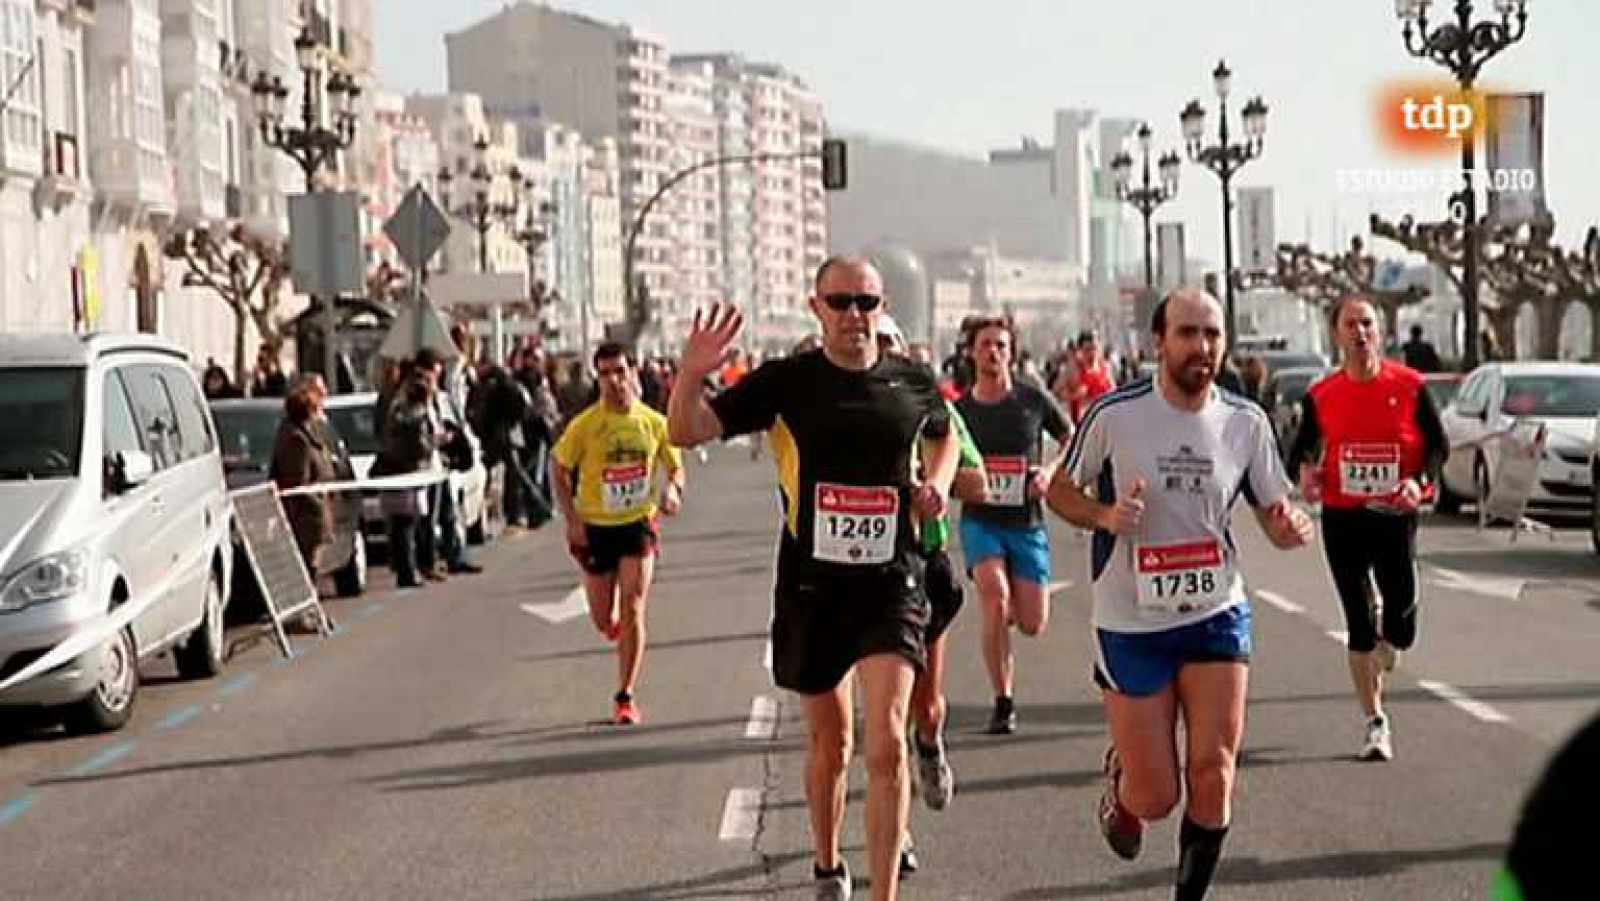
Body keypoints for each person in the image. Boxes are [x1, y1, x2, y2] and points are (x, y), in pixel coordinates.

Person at [668, 256, 959, 901]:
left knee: (885, 744)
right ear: (816, 306)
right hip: (813, 588)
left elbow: (946, 438)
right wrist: (691, 374)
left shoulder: (912, 380)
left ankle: (884, 893)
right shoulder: (785, 382)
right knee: (833, 744)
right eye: (841, 301)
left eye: (867, 301)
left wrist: (935, 487)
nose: (855, 314)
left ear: (882, 308)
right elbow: (685, 430)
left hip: (893, 581)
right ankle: (828, 864)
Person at [1045, 287, 1315, 901]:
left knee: (1215, 770)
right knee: (1158, 796)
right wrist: (1106, 515)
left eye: (1213, 334)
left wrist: (1289, 526)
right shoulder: (1115, 414)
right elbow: (1059, 491)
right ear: (1158, 342)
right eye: (1188, 334)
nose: (1203, 347)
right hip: (1130, 618)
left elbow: (1275, 510)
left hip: (1216, 609)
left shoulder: (1245, 423)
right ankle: (1123, 782)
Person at [1287, 295, 1446, 762]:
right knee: (1357, 620)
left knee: (1401, 621)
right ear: (1337, 334)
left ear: (1380, 333)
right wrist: (1306, 473)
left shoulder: (1411, 386)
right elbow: (1300, 451)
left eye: (1368, 324)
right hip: (1344, 518)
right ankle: (1375, 722)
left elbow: (1438, 446)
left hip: (1395, 516)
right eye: (1351, 325)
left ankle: (1389, 639)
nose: (1361, 333)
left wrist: (1420, 482)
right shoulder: (1322, 395)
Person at [876, 315, 986, 871]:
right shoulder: (843, 410)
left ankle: (932, 741)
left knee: (925, 706)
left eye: (888, 346)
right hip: (863, 576)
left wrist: (934, 482)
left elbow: (979, 479)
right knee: (880, 719)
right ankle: (897, 835)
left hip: (924, 563)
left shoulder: (934, 408)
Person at [552, 343, 685, 726]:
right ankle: (614, 627)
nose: (613, 380)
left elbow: (675, 466)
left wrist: (673, 488)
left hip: (637, 523)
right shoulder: (586, 426)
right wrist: (572, 518)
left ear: (633, 373)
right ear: (598, 378)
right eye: (605, 373)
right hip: (595, 527)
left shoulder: (654, 422)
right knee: (602, 617)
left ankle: (625, 694)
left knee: (634, 606)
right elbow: (558, 468)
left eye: (620, 371)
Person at [955, 315, 1074, 735]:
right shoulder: (959, 411)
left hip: (1025, 522)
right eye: (986, 344)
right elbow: (939, 457)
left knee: (1031, 623)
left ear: (1011, 352)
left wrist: (1049, 472)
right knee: (993, 593)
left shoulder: (1031, 399)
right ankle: (1003, 700)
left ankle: (1004, 612)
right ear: (972, 351)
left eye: (1001, 345)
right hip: (980, 520)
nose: (993, 352)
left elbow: (1069, 436)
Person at [412, 348, 483, 576]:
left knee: (448, 513)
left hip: (440, 465)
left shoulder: (437, 399)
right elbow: (418, 433)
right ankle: (427, 562)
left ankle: (455, 557)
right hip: (425, 467)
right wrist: (437, 439)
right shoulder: (414, 399)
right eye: (435, 371)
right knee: (428, 517)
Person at [373, 362, 438, 589]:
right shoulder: (415, 413)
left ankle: (407, 569)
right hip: (407, 473)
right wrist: (434, 444)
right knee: (405, 524)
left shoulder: (397, 409)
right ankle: (407, 572)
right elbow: (421, 445)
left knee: (402, 524)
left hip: (399, 472)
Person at [270, 375, 337, 578]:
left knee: (312, 567)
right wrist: (318, 507)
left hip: (312, 519)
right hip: (305, 521)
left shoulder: (308, 435)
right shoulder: (297, 440)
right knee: (306, 570)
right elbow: (298, 483)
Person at [1064, 330, 1117, 423]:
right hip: (1084, 424)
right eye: (1088, 349)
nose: (1092, 353)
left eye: (1095, 348)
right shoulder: (1074, 369)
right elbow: (1056, 395)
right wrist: (1075, 395)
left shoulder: (1105, 367)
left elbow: (1115, 393)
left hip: (1105, 421)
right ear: (1080, 350)